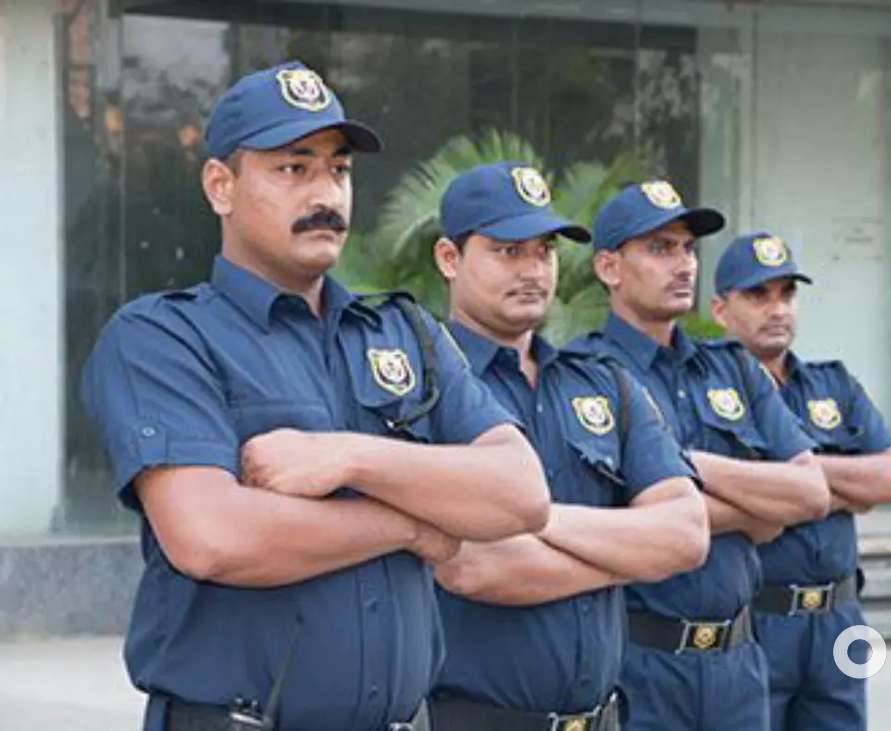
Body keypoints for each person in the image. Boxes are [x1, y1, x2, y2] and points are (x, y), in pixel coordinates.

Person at [81, 61, 550, 731]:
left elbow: (520, 492)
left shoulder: (406, 332)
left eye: (339, 170)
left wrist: (351, 457)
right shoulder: (163, 337)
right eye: (293, 168)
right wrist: (414, 525)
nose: (326, 193)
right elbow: (212, 536)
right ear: (220, 186)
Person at [425, 162, 710, 731]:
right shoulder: (425, 389)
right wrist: (627, 554)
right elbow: (473, 566)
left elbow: (685, 535)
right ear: (450, 259)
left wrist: (533, 520)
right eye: (509, 251)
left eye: (545, 251)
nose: (533, 270)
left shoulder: (602, 383)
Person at [572, 180, 830, 731]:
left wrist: (684, 466)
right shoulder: (583, 377)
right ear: (609, 268)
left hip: (739, 665)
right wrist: (756, 508)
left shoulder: (732, 367)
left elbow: (810, 494)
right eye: (660, 248)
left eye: (688, 248)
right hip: (640, 664)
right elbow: (599, 516)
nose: (684, 264)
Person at [710, 231, 891, 730]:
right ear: (720, 309)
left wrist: (788, 483)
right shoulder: (705, 392)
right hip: (759, 619)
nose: (777, 309)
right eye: (758, 295)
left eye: (787, 294)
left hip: (838, 620)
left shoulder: (832, 383)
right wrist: (846, 487)